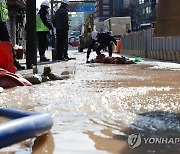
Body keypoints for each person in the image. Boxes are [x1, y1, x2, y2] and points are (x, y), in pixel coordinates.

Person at [0, 0, 25, 70]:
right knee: (7, 42)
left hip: (2, 21)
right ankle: (14, 63)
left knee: (8, 43)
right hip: (1, 22)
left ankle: (14, 63)